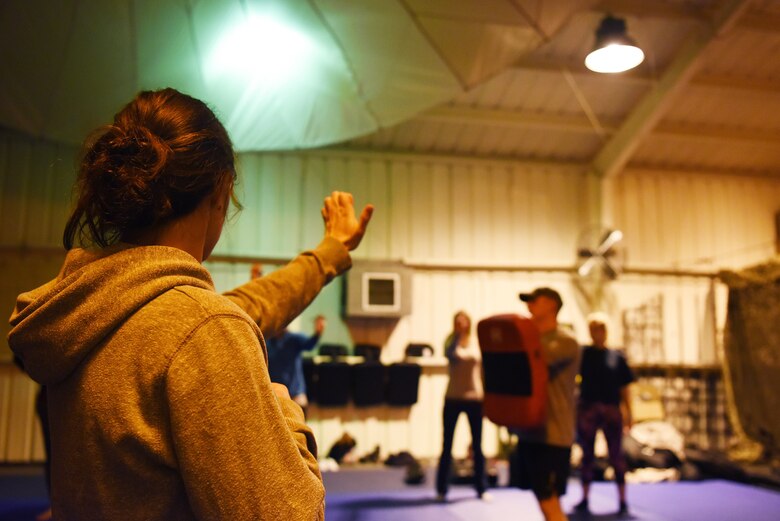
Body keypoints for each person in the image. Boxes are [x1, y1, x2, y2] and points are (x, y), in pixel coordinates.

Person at [8, 88, 373, 521]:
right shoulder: (201, 328)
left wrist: (330, 252)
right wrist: (283, 410)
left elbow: (247, 306)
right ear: (220, 192)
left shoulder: (91, 314)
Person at [515, 288, 580, 521]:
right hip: (530, 431)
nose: (529, 306)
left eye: (535, 301)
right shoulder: (529, 340)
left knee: (549, 501)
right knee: (544, 499)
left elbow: (534, 366)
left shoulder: (565, 342)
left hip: (553, 435)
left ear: (552, 306)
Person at [574, 313, 635, 516]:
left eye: (601, 328)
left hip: (611, 410)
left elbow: (625, 387)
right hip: (588, 409)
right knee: (587, 455)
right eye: (594, 328)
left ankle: (623, 499)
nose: (597, 332)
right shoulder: (583, 355)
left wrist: (629, 412)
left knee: (616, 455)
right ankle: (584, 498)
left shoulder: (616, 357)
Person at [435, 311, 490, 502]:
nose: (461, 324)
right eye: (457, 322)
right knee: (447, 444)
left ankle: (481, 488)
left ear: (469, 322)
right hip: (453, 398)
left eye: (464, 321)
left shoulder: (477, 342)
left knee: (477, 445)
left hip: (475, 398)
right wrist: (457, 337)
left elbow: (484, 368)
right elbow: (450, 355)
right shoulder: (451, 342)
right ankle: (441, 489)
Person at [267, 314, 326, 414]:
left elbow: (309, 344)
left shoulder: (293, 339)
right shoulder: (267, 342)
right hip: (275, 394)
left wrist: (318, 333)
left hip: (296, 394)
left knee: (300, 423)